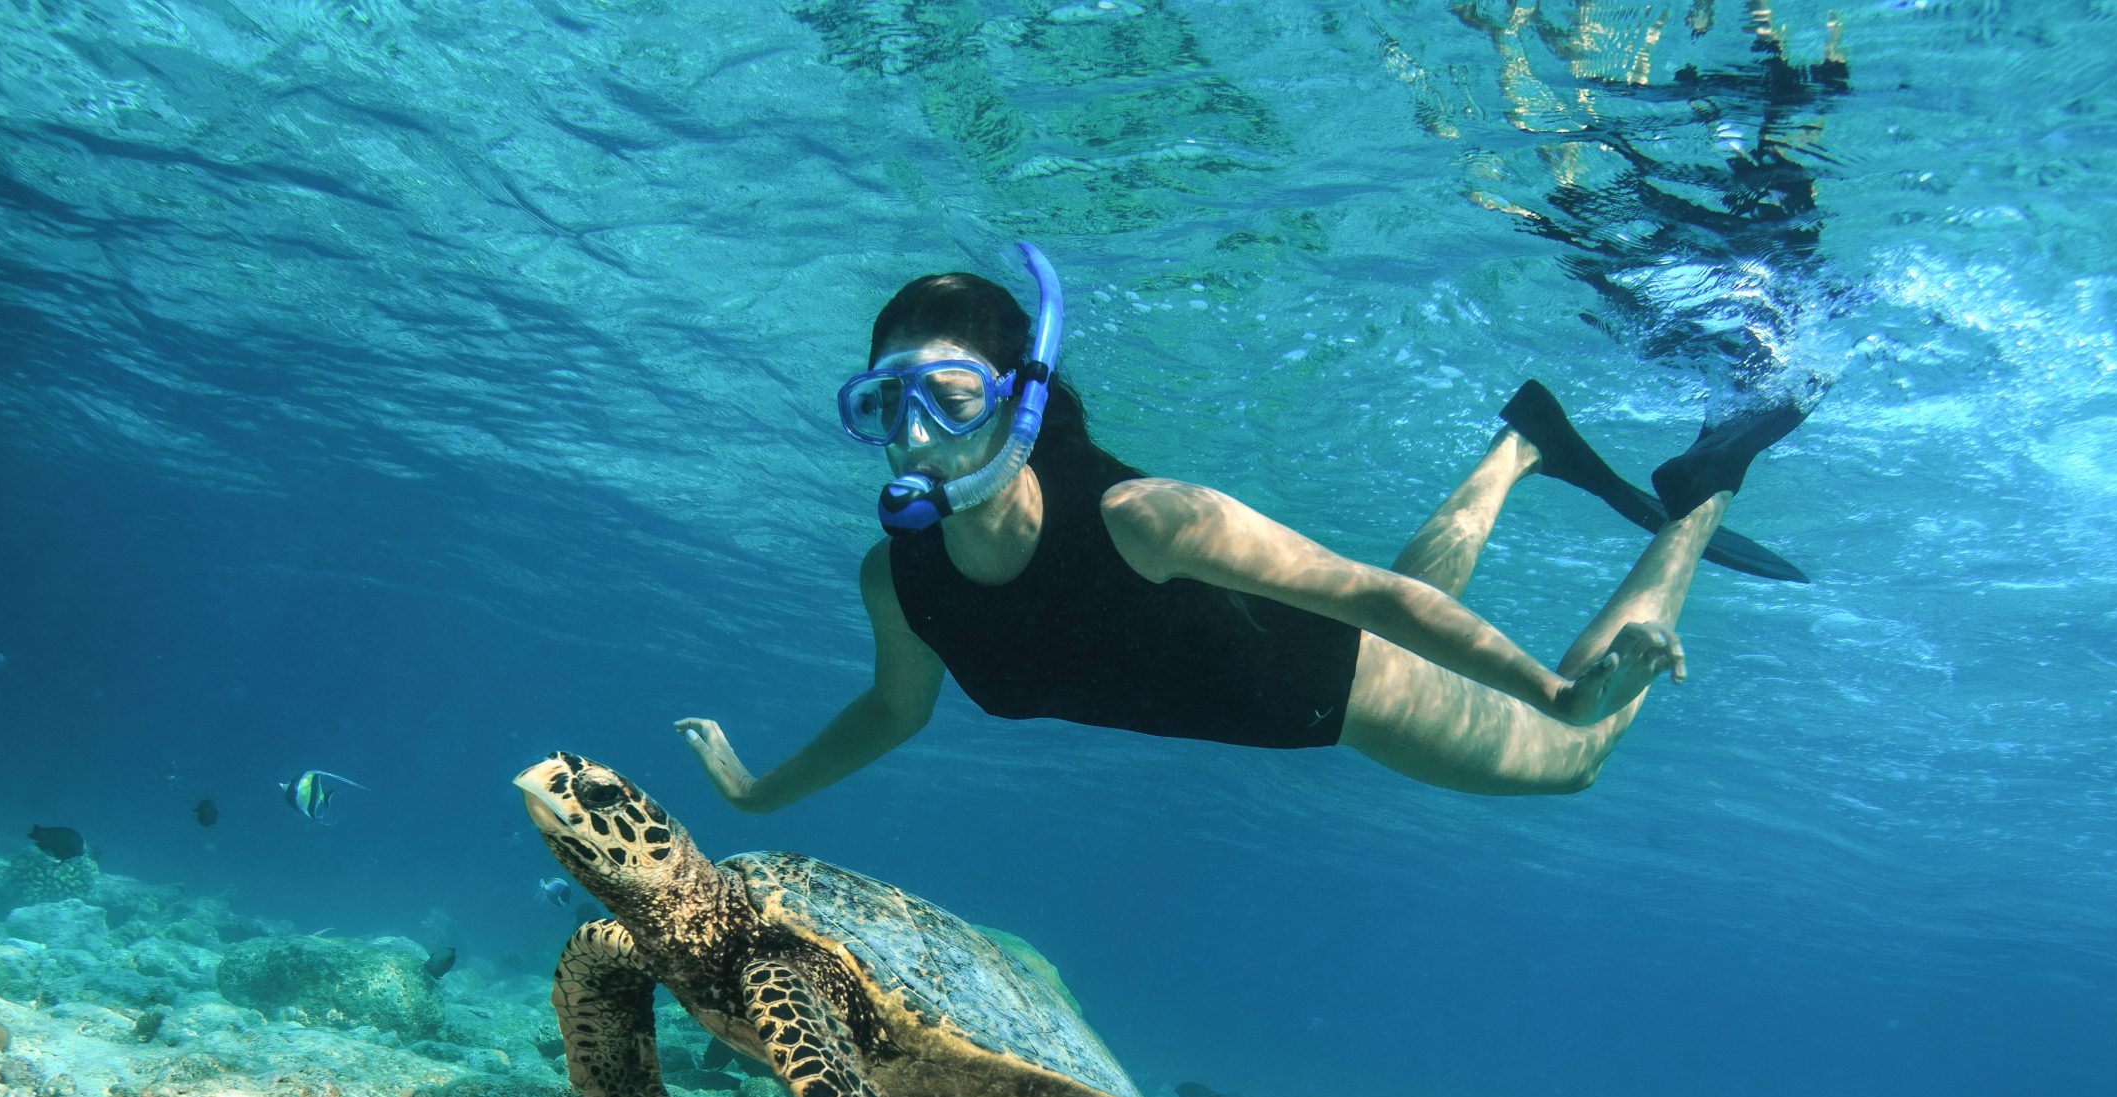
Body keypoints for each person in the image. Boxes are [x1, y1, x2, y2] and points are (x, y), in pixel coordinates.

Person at [675, 245, 1806, 810]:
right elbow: (892, 706)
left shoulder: (1142, 517)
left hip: (1335, 693)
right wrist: (758, 790)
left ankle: (1710, 478)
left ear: (1019, 397)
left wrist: (1559, 696)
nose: (914, 436)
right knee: (1433, 621)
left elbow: (1369, 599)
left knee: (1573, 764)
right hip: (1293, 666)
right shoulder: (898, 576)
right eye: (883, 404)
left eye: (950, 398)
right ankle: (1522, 447)